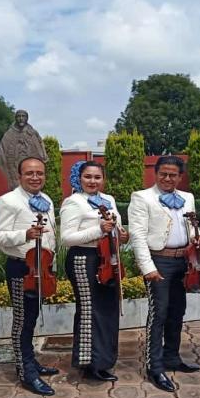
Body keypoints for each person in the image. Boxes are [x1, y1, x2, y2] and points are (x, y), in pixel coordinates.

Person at [128, 155, 200, 393]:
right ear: (156, 173)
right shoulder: (142, 198)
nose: (168, 178)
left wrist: (197, 238)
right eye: (163, 173)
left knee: (177, 311)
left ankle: (172, 357)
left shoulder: (187, 197)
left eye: (173, 175)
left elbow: (190, 227)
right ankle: (155, 365)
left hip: (184, 261)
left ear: (180, 176)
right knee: (158, 312)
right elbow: (138, 236)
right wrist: (148, 268)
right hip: (159, 260)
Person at [0, 156, 59, 395]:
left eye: (39, 173)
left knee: (32, 317)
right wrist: (25, 234)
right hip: (21, 267)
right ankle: (25, 371)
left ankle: (31, 360)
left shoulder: (46, 200)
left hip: (42, 267)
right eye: (29, 173)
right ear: (19, 176)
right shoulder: (7, 201)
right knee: (22, 321)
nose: (35, 177)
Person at [60, 161, 129, 381]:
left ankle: (105, 360)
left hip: (108, 257)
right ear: (79, 179)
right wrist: (97, 229)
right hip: (83, 259)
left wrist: (122, 235)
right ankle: (90, 365)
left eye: (97, 177)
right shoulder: (73, 202)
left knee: (108, 309)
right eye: (88, 177)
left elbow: (116, 228)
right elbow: (67, 238)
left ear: (103, 179)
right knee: (91, 311)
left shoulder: (109, 200)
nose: (92, 181)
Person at [0, 109, 48, 189]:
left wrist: (43, 155)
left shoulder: (32, 133)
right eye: (18, 116)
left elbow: (40, 145)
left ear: (27, 118)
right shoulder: (9, 134)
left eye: (23, 116)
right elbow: (2, 148)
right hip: (15, 167)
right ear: (16, 118)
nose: (21, 118)